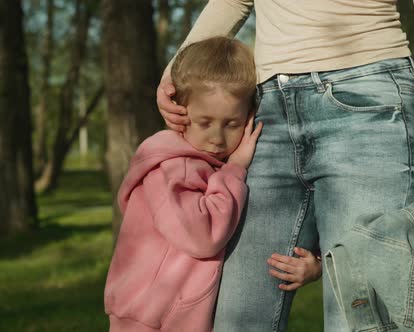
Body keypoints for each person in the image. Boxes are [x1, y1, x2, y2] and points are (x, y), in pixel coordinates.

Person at [157, 1, 414, 331]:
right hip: (266, 110)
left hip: (369, 103)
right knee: (236, 320)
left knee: (359, 320)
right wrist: (174, 76)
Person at [104, 37, 321, 332]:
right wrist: (234, 170)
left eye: (231, 124)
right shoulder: (172, 167)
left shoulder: (206, 163)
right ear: (180, 111)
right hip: (154, 320)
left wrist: (315, 263)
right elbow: (203, 236)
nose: (217, 138)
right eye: (205, 123)